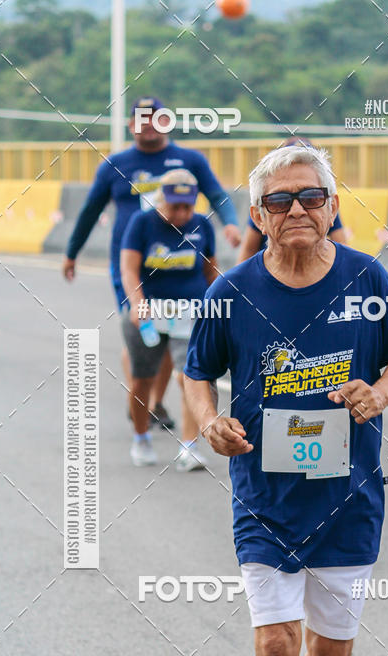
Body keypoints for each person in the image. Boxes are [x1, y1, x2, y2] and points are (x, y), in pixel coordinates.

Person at [184, 145, 388, 656]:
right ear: (257, 214)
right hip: (264, 496)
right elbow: (199, 374)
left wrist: (376, 394)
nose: (297, 210)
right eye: (280, 200)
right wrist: (209, 423)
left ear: (333, 205)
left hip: (349, 496)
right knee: (276, 649)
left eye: (310, 197)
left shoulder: (366, 277)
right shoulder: (230, 293)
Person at [63, 96, 240, 429]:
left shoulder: (190, 160)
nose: (148, 125)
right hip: (132, 266)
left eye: (156, 118)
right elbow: (90, 213)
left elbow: (218, 195)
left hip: (180, 264)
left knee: (168, 336)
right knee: (144, 331)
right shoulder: (114, 165)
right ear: (131, 125)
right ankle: (142, 397)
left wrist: (229, 222)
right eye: (141, 119)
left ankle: (153, 403)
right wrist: (72, 252)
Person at [120, 169, 218, 468]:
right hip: (149, 313)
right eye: (175, 206)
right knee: (143, 380)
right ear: (162, 201)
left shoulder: (202, 225)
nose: (182, 213)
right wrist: (138, 304)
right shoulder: (142, 223)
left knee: (190, 375)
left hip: (189, 313)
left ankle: (188, 448)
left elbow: (211, 271)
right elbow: (129, 269)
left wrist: (219, 306)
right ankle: (140, 438)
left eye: (188, 206)